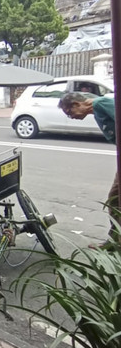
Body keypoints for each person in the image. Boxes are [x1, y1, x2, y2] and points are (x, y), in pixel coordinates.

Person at [58, 92, 117, 248]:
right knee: (115, 200)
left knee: (115, 199)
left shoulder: (100, 104)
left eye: (70, 113)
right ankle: (115, 241)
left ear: (77, 104)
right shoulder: (97, 110)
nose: (71, 118)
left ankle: (115, 243)